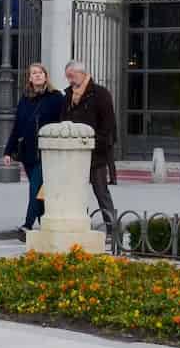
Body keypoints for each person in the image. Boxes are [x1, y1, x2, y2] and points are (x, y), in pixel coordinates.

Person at [4, 63, 65, 233]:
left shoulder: (56, 97)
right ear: (29, 78)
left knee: (35, 188)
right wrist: (8, 151)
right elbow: (17, 126)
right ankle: (46, 222)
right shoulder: (25, 98)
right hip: (27, 152)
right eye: (33, 73)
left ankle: (28, 224)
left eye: (40, 73)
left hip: (46, 152)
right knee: (39, 190)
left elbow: (62, 121)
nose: (37, 75)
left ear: (46, 76)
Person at [63, 59, 118, 234]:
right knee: (77, 193)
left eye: (72, 76)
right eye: (68, 77)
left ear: (82, 73)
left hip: (96, 153)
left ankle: (112, 229)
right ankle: (80, 225)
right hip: (74, 153)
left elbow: (108, 124)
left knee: (101, 192)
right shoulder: (67, 95)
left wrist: (99, 143)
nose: (70, 80)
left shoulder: (100, 93)